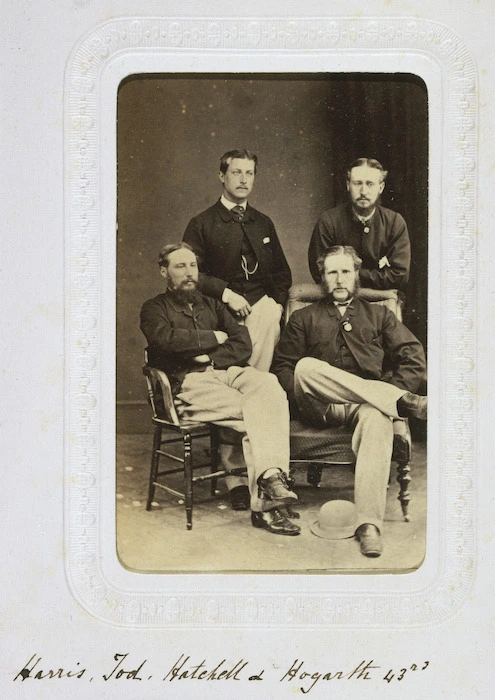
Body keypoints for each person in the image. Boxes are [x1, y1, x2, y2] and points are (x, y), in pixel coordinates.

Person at [271, 245, 427, 557]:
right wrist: (303, 394)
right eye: (332, 272)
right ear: (323, 278)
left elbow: (414, 359)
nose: (340, 279)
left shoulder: (379, 315)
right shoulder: (304, 317)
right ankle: (400, 401)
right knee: (305, 368)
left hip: (364, 408)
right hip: (319, 406)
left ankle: (369, 525)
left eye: (346, 271)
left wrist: (381, 390)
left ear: (356, 275)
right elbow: (282, 369)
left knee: (378, 416)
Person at [140, 242, 300, 536]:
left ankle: (269, 479)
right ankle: (269, 500)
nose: (189, 273)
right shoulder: (154, 308)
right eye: (180, 266)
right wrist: (214, 335)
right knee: (259, 413)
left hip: (225, 372)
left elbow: (242, 345)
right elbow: (167, 341)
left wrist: (209, 356)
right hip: (188, 383)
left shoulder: (211, 304)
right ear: (164, 272)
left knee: (270, 385)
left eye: (193, 266)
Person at [183, 149, 292, 509]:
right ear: (221, 176)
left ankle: (259, 472)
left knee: (256, 390)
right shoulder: (201, 223)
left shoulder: (263, 222)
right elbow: (191, 275)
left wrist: (273, 305)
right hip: (222, 317)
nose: (243, 179)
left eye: (249, 173)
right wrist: (227, 295)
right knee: (233, 386)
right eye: (236, 173)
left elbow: (281, 274)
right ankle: (234, 475)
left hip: (261, 316)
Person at [308, 158, 411, 302]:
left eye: (370, 184)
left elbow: (399, 276)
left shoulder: (394, 222)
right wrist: (376, 275)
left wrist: (350, 274)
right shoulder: (329, 221)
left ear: (381, 187)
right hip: (337, 300)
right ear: (348, 185)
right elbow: (320, 270)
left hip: (380, 301)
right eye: (358, 183)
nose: (363, 191)